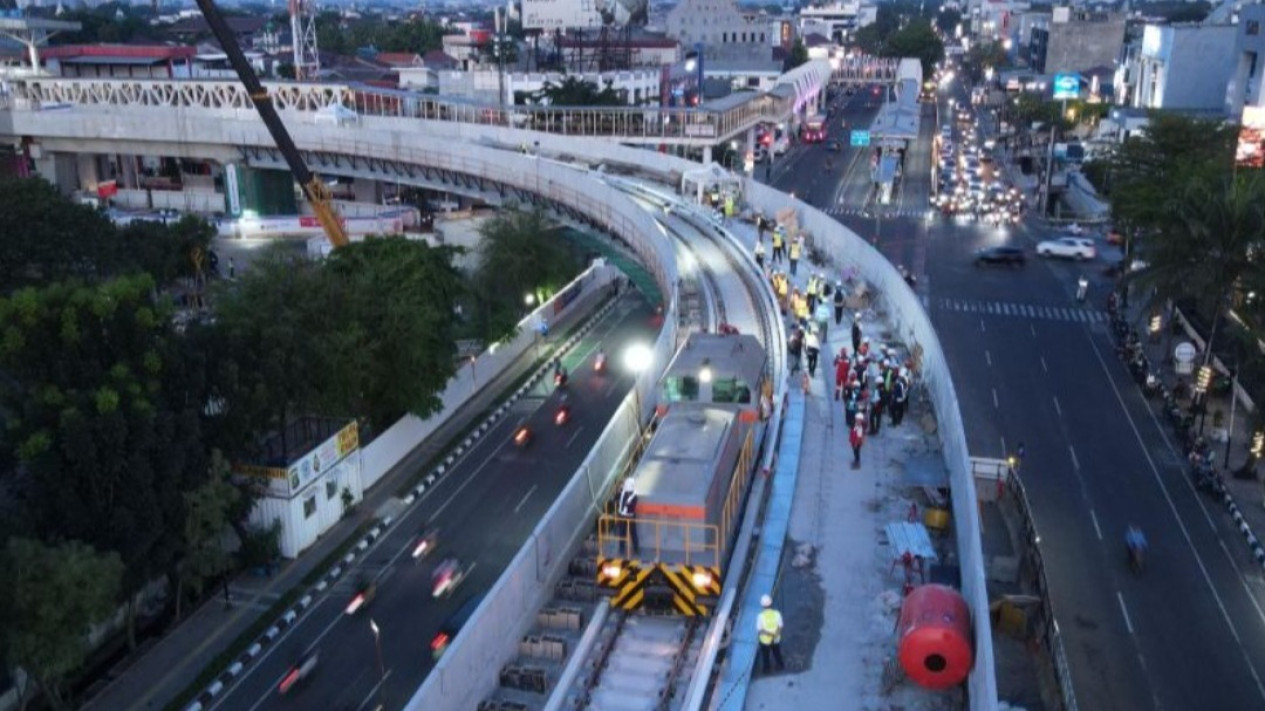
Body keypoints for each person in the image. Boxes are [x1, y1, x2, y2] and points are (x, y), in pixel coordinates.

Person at [757, 594, 785, 674]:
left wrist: (769, 634)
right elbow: (780, 626)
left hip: (765, 641)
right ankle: (780, 665)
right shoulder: (777, 614)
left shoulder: (760, 616)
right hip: (776, 639)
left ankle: (767, 669)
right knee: (777, 653)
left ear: (762, 605)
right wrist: (775, 634)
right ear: (771, 604)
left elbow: (760, 630)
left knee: (765, 656)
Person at [616, 476, 640, 556]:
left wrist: (628, 505)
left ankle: (636, 549)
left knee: (633, 533)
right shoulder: (623, 493)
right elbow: (617, 499)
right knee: (622, 533)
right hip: (622, 516)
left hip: (630, 516)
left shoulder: (634, 495)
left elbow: (632, 507)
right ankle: (621, 548)